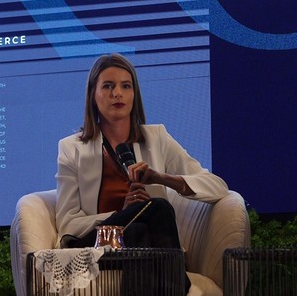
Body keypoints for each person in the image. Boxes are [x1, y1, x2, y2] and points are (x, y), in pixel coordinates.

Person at [55, 53, 229, 294]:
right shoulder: (72, 147)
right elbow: (68, 223)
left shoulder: (157, 137)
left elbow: (218, 187)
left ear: (134, 95)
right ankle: (182, 287)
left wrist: (161, 178)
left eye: (126, 86)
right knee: (157, 208)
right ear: (93, 95)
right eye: (108, 86)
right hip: (97, 243)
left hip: (140, 242)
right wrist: (123, 213)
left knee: (139, 230)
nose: (117, 93)